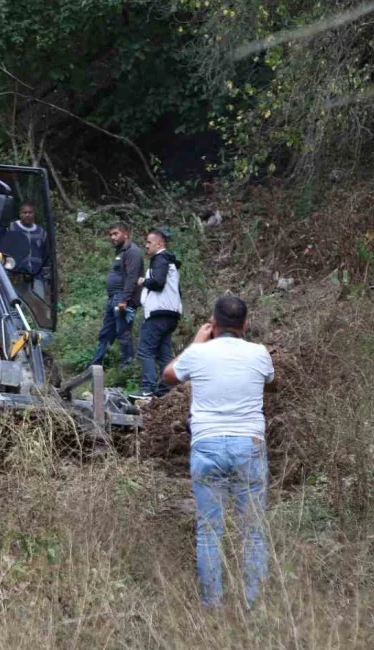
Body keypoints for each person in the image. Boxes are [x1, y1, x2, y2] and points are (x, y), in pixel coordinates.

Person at [162, 295, 278, 609]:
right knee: (253, 530)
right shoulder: (259, 353)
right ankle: (253, 607)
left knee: (209, 530)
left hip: (207, 445)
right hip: (248, 447)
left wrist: (197, 341)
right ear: (246, 324)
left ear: (212, 324)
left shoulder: (200, 353)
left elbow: (169, 375)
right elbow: (270, 381)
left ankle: (211, 607)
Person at [133, 229, 182, 399]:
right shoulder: (169, 262)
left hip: (158, 314)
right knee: (164, 354)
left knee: (145, 350)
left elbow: (158, 282)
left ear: (159, 244)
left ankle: (147, 388)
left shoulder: (160, 259)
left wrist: (143, 281)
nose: (145, 245)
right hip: (171, 314)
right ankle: (164, 390)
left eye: (148, 242)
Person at [87, 222, 143, 368]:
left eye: (116, 234)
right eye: (111, 234)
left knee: (123, 332)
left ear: (126, 234)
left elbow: (132, 277)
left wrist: (125, 299)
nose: (113, 237)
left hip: (122, 299)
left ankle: (127, 366)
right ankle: (95, 363)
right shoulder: (121, 251)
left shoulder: (133, 251)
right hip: (114, 298)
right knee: (106, 332)